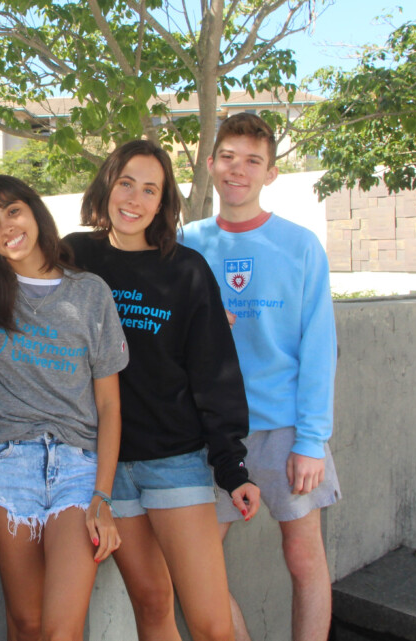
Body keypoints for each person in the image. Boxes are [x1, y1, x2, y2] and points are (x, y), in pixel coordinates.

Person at [63, 139, 260, 641]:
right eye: (126, 182)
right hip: (108, 467)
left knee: (211, 623)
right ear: (107, 183)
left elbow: (214, 370)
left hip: (175, 460)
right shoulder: (75, 255)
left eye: (149, 189)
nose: (134, 198)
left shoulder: (187, 270)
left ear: (162, 201)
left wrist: (232, 465)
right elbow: (6, 279)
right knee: (152, 606)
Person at [0, 174, 128, 641]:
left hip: (78, 468)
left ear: (34, 211)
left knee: (60, 629)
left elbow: (110, 405)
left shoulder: (91, 293)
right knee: (27, 623)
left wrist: (103, 495)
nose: (6, 227)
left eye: (13, 211)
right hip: (8, 464)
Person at [180, 113, 341, 641]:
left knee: (303, 558)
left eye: (253, 160)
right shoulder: (186, 244)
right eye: (228, 157)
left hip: (286, 430)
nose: (238, 169)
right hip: (210, 432)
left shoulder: (299, 245)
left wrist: (313, 440)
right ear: (211, 163)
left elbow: (319, 348)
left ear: (270, 173)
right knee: (197, 570)